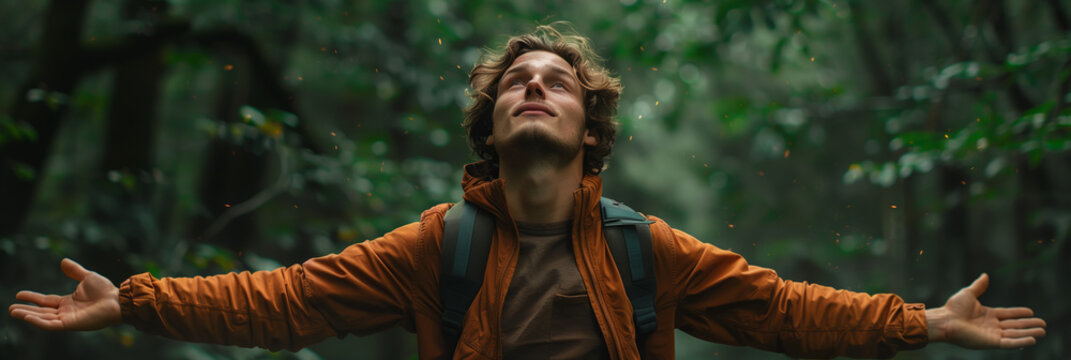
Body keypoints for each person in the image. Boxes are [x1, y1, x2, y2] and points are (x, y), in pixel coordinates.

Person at [8, 24, 1046, 359]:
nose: (535, 88)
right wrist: (133, 299)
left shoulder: (649, 251)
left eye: (557, 82)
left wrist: (925, 322)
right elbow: (286, 298)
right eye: (518, 81)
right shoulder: (435, 245)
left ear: (589, 129)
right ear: (493, 127)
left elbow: (786, 308)